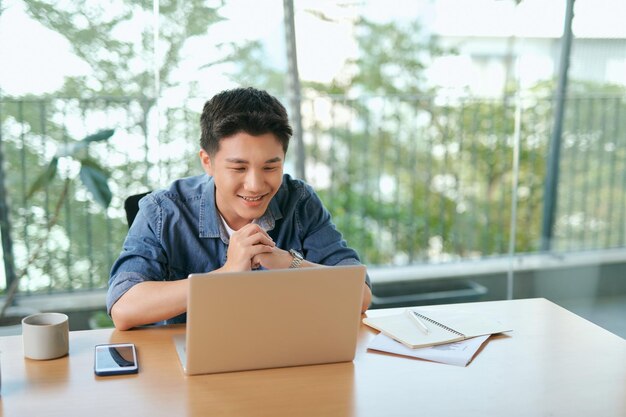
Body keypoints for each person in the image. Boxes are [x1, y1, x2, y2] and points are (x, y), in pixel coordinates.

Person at [107, 87, 372, 330]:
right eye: (238, 168)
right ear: (207, 162)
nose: (255, 185)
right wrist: (226, 274)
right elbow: (124, 307)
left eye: (270, 167)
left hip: (284, 357)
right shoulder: (163, 210)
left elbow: (360, 295)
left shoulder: (299, 201)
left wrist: (289, 263)